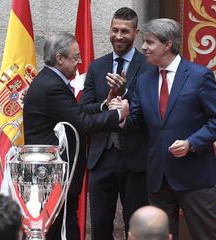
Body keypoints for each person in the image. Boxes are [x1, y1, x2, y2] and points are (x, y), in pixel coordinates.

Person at [120, 18, 216, 240]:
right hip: (158, 176)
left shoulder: (199, 76)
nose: (143, 48)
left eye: (149, 43)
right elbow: (136, 124)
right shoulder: (143, 80)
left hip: (194, 175)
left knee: (208, 235)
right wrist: (122, 117)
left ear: (167, 44)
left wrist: (191, 143)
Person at [23, 32, 129, 240]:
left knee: (62, 226)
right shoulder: (53, 86)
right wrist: (119, 114)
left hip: (56, 176)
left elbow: (74, 113)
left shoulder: (50, 80)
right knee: (60, 228)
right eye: (75, 57)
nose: (80, 61)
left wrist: (104, 106)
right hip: (53, 176)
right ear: (60, 58)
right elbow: (83, 123)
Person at [80, 7, 151, 240]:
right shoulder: (97, 66)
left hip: (135, 157)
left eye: (124, 31)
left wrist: (125, 92)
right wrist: (106, 102)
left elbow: (149, 109)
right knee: (100, 224)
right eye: (114, 30)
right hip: (101, 157)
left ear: (136, 32)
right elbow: (84, 109)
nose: (118, 36)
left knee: (136, 224)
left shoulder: (148, 66)